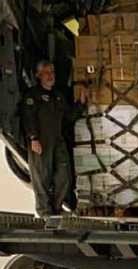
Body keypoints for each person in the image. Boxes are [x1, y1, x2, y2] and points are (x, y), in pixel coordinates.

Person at [21, 59, 87, 217]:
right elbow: (28, 118)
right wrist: (33, 138)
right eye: (46, 72)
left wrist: (81, 104)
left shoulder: (58, 96)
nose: (50, 75)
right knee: (41, 177)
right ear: (38, 75)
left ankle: (56, 209)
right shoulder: (32, 96)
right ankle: (44, 212)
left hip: (57, 140)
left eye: (52, 72)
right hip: (40, 141)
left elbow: (68, 117)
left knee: (64, 175)